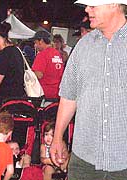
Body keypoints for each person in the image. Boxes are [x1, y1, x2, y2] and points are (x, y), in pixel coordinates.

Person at [50, 1, 127, 179]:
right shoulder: (83, 46)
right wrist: (57, 137)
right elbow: (69, 96)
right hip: (84, 161)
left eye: (93, 6)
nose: (87, 9)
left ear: (114, 4)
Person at [30, 31, 64, 101]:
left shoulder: (42, 55)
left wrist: (29, 73)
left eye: (35, 42)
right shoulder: (57, 53)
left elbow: (39, 75)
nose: (35, 45)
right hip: (58, 92)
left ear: (41, 41)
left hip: (45, 94)